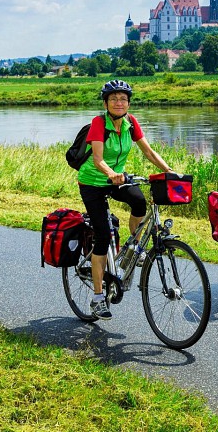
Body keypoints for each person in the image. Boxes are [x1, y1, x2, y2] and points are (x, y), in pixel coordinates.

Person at [78, 79, 175, 320]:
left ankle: (135, 247)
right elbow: (99, 158)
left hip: (117, 180)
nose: (119, 102)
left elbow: (149, 151)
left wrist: (170, 172)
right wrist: (111, 173)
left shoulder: (131, 123)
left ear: (129, 103)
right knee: (102, 235)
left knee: (139, 202)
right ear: (106, 103)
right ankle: (98, 298)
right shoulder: (99, 123)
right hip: (93, 182)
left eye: (123, 99)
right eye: (114, 99)